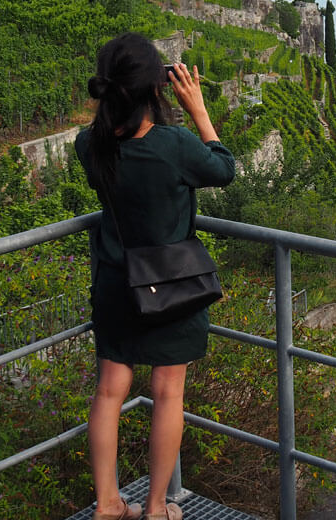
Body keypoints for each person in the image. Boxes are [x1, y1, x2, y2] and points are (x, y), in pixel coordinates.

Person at [75, 32, 236, 520]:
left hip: (115, 285)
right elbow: (223, 169)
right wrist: (199, 111)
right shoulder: (174, 145)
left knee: (107, 392)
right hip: (170, 289)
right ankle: (156, 508)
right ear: (155, 88)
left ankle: (106, 504)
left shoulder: (89, 146)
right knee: (168, 395)